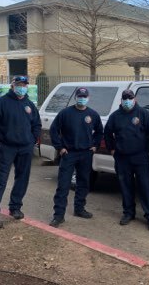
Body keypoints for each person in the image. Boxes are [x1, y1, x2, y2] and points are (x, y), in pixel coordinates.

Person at [0, 75, 42, 228]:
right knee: (0, 181)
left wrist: (33, 140)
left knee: (22, 179)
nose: (22, 87)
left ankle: (15, 207)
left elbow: (36, 124)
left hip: (25, 148)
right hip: (7, 147)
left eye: (24, 85)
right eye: (19, 84)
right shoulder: (1, 103)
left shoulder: (29, 105)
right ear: (12, 85)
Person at [49, 87, 104, 227]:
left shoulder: (93, 114)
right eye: (79, 96)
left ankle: (79, 209)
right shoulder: (65, 113)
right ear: (75, 97)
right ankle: (58, 215)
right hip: (69, 154)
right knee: (63, 185)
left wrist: (95, 145)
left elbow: (99, 131)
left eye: (84, 96)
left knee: (83, 183)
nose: (82, 98)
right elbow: (54, 130)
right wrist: (59, 147)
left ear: (88, 98)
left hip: (86, 154)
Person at [104, 89, 149, 231]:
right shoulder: (115, 116)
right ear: (121, 100)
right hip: (122, 158)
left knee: (145, 187)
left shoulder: (143, 114)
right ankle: (128, 213)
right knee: (126, 187)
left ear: (135, 99)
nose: (127, 100)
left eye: (130, 97)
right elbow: (108, 132)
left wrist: (146, 149)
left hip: (140, 157)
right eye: (125, 98)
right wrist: (112, 149)